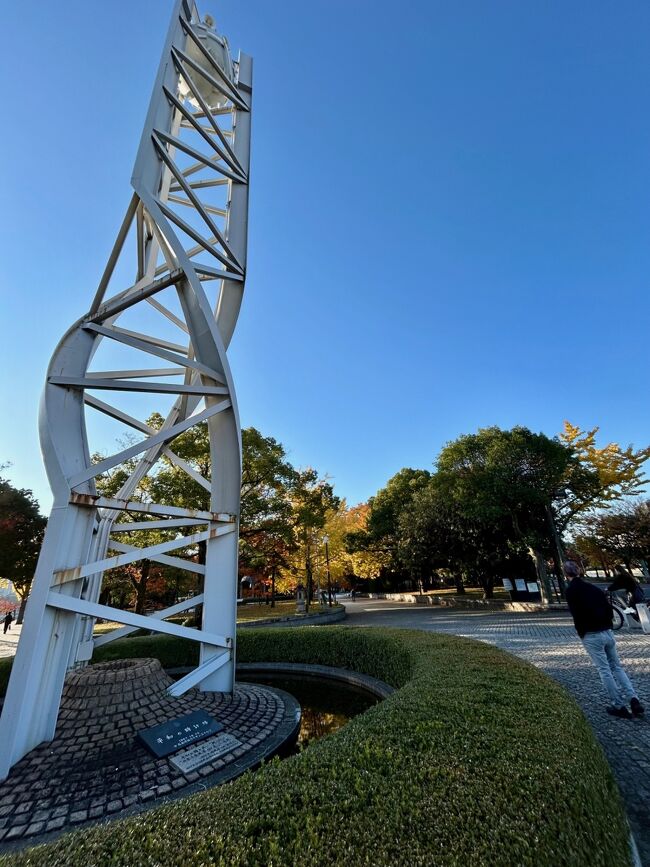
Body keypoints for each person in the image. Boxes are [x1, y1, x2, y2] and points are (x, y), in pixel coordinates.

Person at [564, 560, 643, 719]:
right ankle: (633, 698)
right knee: (617, 667)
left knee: (604, 669)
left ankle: (618, 705)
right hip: (606, 631)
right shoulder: (594, 588)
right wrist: (608, 624)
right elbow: (608, 609)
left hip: (591, 634)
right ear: (579, 571)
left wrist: (582, 632)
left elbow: (576, 614)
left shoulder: (571, 591)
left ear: (566, 575)